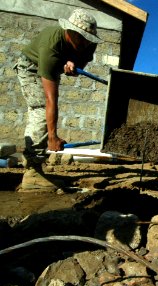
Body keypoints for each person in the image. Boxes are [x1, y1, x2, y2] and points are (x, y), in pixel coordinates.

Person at [14, 8, 103, 191]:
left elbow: (82, 60)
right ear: (69, 31)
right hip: (31, 65)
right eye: (81, 37)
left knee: (44, 107)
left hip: (55, 62)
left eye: (88, 39)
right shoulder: (51, 45)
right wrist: (53, 137)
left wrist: (73, 62)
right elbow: (50, 100)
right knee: (40, 108)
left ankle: (37, 169)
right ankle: (33, 173)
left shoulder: (89, 43)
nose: (85, 43)